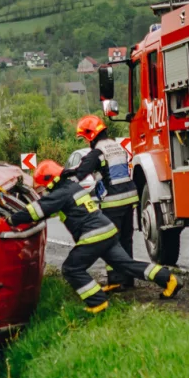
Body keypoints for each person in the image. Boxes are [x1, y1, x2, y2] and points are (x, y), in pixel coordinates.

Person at [7, 160, 181, 313]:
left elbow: (35, 212)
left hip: (93, 236)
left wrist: (10, 219)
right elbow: (50, 210)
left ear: (49, 182)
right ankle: (168, 279)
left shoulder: (59, 194)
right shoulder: (73, 187)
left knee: (71, 269)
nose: (43, 190)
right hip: (108, 230)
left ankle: (97, 302)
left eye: (43, 187)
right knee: (126, 265)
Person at [63, 115, 139, 292]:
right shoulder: (117, 146)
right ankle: (128, 279)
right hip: (130, 197)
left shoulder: (97, 152)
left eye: (84, 137)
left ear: (90, 135)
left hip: (113, 202)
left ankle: (116, 281)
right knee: (127, 240)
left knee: (112, 242)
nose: (85, 141)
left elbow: (80, 172)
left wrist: (63, 175)